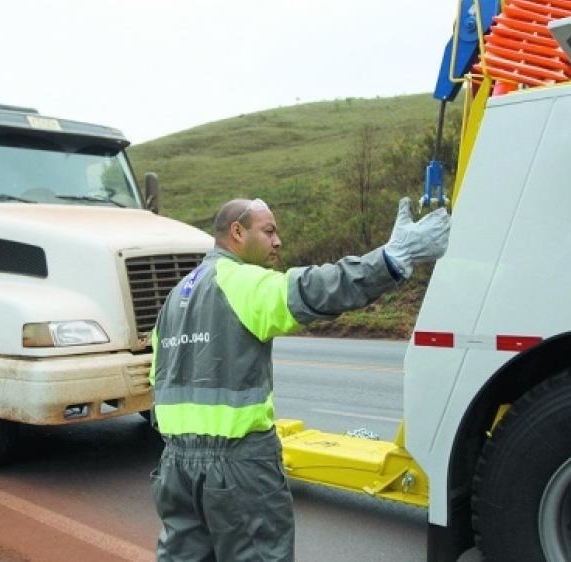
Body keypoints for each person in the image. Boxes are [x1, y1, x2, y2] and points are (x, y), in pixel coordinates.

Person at [149, 196, 450, 561]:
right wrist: (389, 260)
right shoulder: (241, 282)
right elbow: (316, 288)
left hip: (176, 466)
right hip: (237, 466)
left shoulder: (175, 297)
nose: (278, 241)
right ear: (237, 232)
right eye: (269, 231)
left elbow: (158, 380)